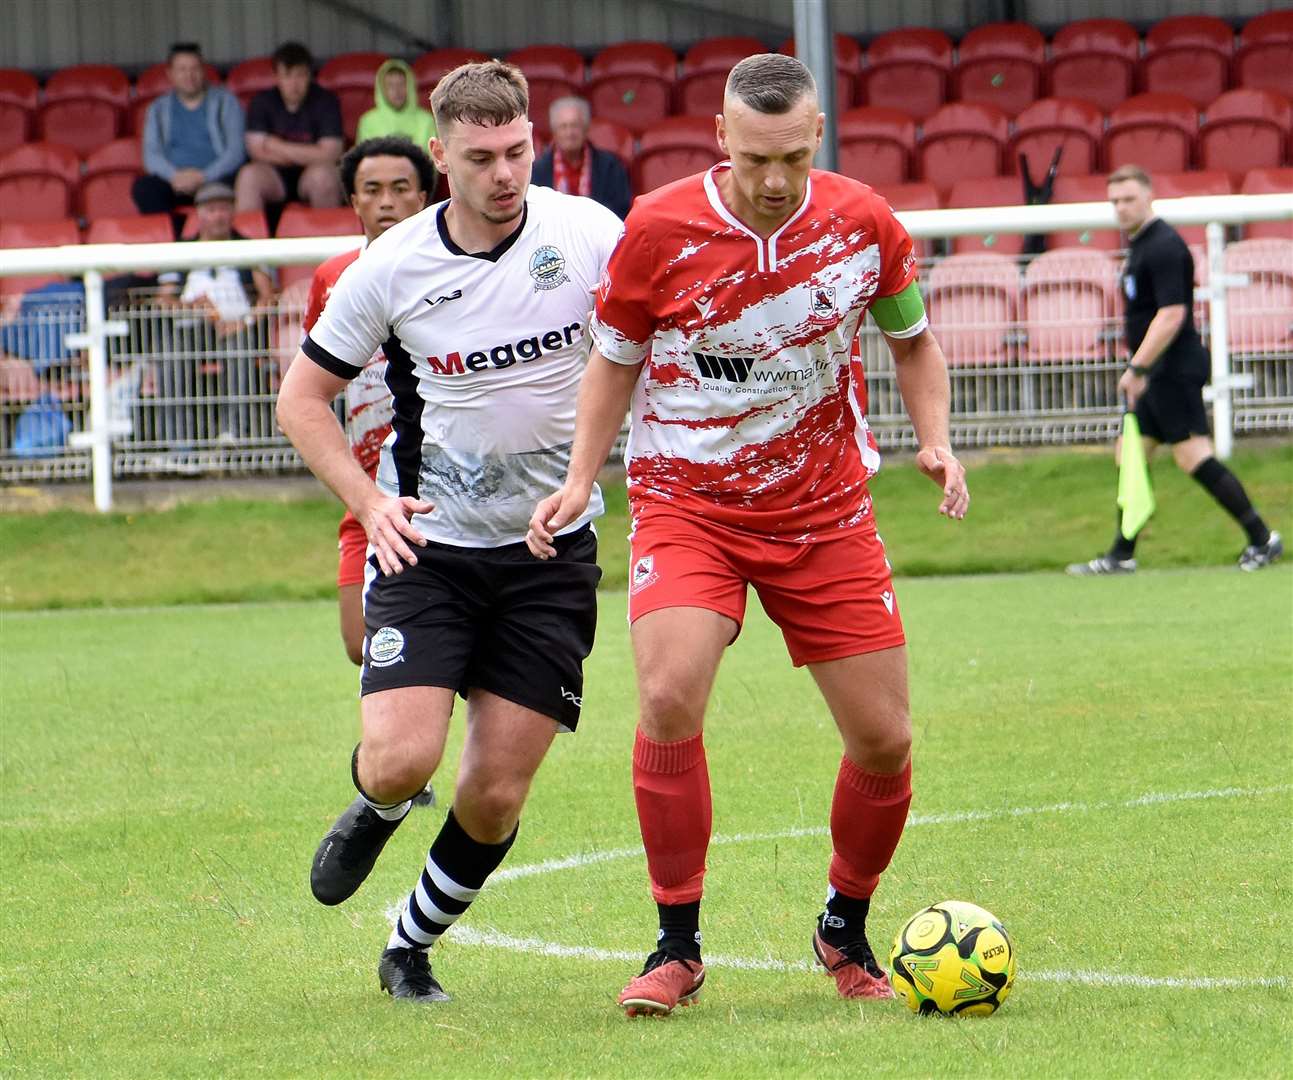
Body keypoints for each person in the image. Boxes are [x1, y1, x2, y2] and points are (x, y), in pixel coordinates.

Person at [527, 53, 968, 1017]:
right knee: (667, 693)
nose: (772, 181)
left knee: (885, 740)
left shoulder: (863, 224)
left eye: (789, 158)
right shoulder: (658, 229)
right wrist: (575, 479)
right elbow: (613, 363)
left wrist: (933, 440)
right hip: (689, 504)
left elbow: (911, 339)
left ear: (816, 137)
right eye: (754, 157)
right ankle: (675, 946)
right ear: (721, 138)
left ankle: (841, 927)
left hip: (824, 512)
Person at [275, 60, 623, 1004]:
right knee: (403, 759)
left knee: (496, 793)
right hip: (428, 548)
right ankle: (378, 801)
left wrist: (587, 477)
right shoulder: (388, 268)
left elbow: (642, 351)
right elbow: (303, 400)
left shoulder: (588, 235)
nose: (506, 173)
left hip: (552, 555)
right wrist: (367, 501)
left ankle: (409, 942)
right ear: (441, 157)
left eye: (517, 152)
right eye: (481, 157)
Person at [1066, 165, 1282, 575]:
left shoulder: (1164, 245)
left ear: (1148, 197)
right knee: (1132, 454)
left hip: (1172, 368)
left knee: (1192, 455)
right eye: (1114, 200)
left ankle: (1262, 538)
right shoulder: (1142, 245)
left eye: (1128, 199)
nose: (1121, 207)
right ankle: (1121, 553)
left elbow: (1172, 314)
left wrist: (1138, 367)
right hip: (1158, 370)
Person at [300, 137, 436, 666]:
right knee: (361, 645)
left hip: (439, 489)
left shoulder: (453, 271)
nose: (386, 202)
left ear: (424, 195)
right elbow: (312, 387)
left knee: (419, 647)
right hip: (369, 495)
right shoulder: (333, 280)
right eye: (372, 190)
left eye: (400, 188)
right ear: (353, 202)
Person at [158, 182, 274, 443]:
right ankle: (179, 440)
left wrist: (245, 322)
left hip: (237, 324)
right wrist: (190, 308)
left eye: (224, 209)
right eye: (212, 210)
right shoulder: (180, 250)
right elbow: (163, 298)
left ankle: (234, 432)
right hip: (191, 325)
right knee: (172, 352)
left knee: (239, 348)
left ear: (233, 212)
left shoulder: (251, 248)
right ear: (199, 214)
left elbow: (267, 297)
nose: (219, 215)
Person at [133, 43, 246, 223]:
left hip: (216, 178)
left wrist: (203, 176)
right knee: (144, 188)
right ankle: (174, 238)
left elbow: (235, 152)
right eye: (182, 70)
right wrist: (175, 176)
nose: (189, 76)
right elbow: (151, 155)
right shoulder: (158, 109)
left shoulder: (226, 102)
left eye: (195, 69)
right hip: (174, 181)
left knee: (239, 181)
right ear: (170, 74)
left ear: (203, 70)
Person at [236, 42, 344, 214]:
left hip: (313, 173)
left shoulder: (326, 101)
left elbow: (331, 154)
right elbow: (256, 151)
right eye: (287, 75)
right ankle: (248, 238)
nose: (294, 83)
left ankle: (328, 238)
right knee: (249, 176)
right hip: (273, 175)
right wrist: (312, 153)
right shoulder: (261, 102)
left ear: (310, 75)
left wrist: (276, 145)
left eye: (300, 75)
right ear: (276, 76)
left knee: (323, 177)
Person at [532, 96, 632, 219]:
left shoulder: (611, 166)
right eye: (563, 126)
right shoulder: (537, 171)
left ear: (586, 129)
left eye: (575, 126)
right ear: (554, 132)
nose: (569, 133)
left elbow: (621, 210)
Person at [355, 59, 436, 148]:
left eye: (401, 84)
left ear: (410, 87)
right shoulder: (368, 121)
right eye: (390, 85)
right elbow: (363, 158)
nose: (397, 91)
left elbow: (433, 159)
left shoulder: (427, 121)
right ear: (382, 89)